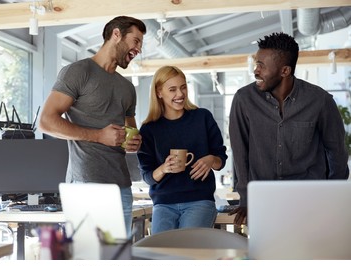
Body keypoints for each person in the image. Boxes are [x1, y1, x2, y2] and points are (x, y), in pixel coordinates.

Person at [38, 16, 147, 236]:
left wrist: (134, 141)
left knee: (116, 259)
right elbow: (46, 121)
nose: (138, 49)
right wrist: (99, 136)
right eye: (135, 41)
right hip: (86, 183)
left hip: (122, 187)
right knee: (87, 259)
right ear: (116, 34)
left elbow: (129, 130)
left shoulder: (127, 87)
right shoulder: (78, 72)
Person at [229, 32, 350, 226]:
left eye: (262, 65)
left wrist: (331, 196)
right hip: (263, 200)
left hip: (310, 199)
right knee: (267, 254)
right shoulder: (244, 100)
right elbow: (240, 152)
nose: (256, 70)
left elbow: (336, 151)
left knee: (310, 253)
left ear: (285, 71)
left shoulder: (320, 101)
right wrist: (245, 198)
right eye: (256, 63)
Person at [137, 65, 228, 234]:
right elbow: (148, 177)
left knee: (187, 250)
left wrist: (211, 160)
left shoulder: (202, 117)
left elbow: (220, 159)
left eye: (183, 87)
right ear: (159, 92)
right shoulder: (149, 129)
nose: (180, 94)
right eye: (172, 89)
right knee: (158, 254)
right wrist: (164, 168)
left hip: (199, 201)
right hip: (163, 204)